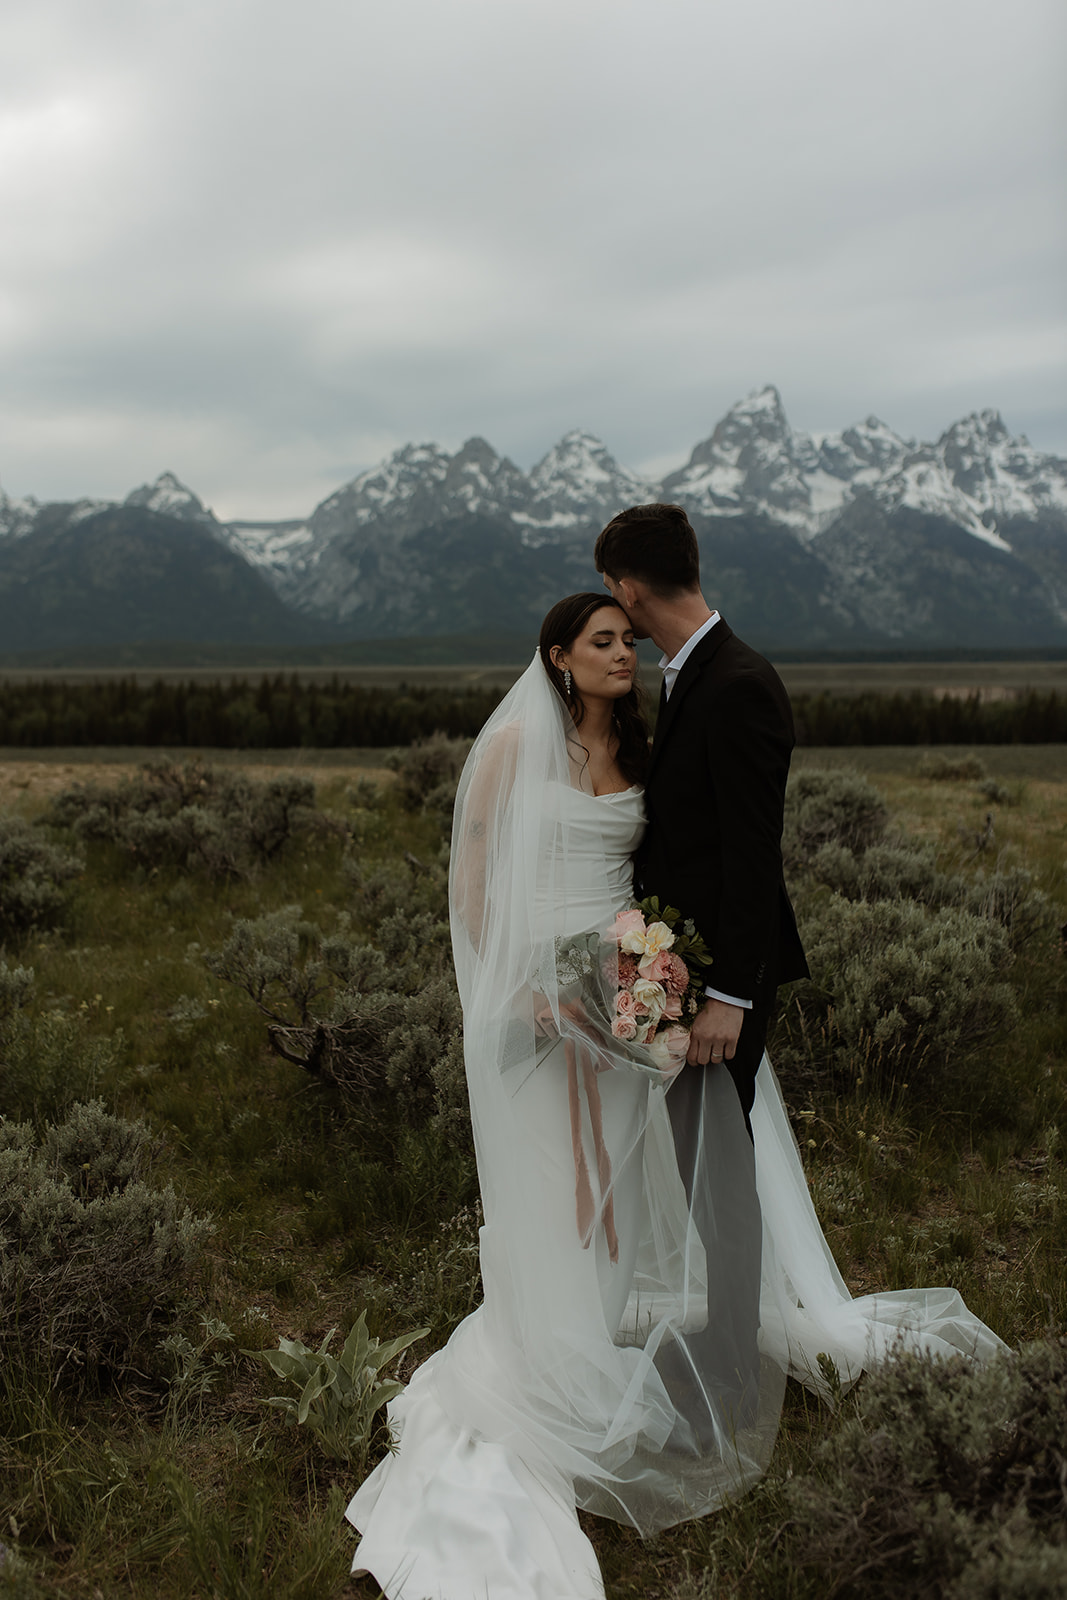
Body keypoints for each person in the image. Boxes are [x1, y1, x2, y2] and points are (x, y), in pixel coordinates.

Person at [345, 591, 1004, 1600]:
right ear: (558, 656)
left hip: (625, 984)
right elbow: (475, 877)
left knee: (630, 1174)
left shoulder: (642, 749)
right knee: (560, 1175)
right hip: (538, 995)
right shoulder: (520, 740)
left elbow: (657, 869)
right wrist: (520, 985)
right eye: (602, 642)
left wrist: (647, 972)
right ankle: (558, 1354)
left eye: (625, 637)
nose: (623, 652)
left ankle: (631, 1342)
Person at [594, 501, 810, 1424]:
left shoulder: (739, 683)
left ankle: (729, 1366)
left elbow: (754, 857)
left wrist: (723, 998)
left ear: (628, 587)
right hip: (684, 975)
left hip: (720, 988)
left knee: (717, 1178)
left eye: (614, 595)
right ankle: (726, 1342)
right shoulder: (693, 675)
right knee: (702, 1171)